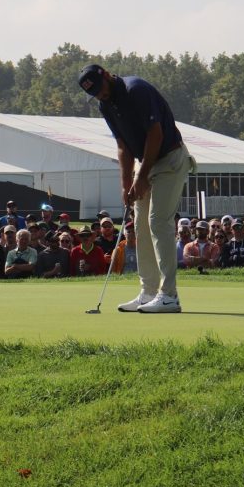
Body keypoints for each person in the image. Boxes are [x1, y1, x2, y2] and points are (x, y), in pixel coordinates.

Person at [78, 63, 193, 313]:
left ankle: (169, 295)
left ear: (107, 75)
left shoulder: (136, 89)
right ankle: (149, 290)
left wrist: (141, 177)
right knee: (140, 225)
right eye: (95, 93)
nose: (100, 95)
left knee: (158, 221)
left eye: (101, 89)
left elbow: (156, 135)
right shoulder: (105, 104)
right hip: (147, 163)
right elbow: (123, 146)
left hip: (170, 159)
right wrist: (126, 183)